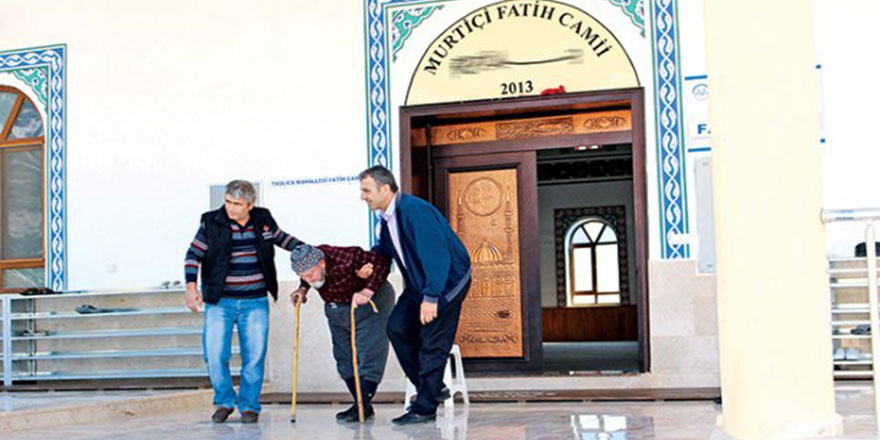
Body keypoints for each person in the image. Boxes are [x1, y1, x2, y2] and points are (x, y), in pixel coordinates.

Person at [358, 165, 472, 425]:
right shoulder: (388, 217)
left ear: (384, 188)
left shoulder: (414, 211)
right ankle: (431, 387)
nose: (362, 196)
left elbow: (437, 255)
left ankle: (424, 408)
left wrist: (432, 297)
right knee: (397, 328)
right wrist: (371, 264)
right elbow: (385, 249)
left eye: (366, 190)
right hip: (419, 284)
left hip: (446, 284)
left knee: (433, 342)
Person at [184, 179, 302, 424]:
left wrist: (314, 252)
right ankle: (225, 402)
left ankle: (249, 406)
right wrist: (191, 287)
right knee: (215, 355)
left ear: (250, 204)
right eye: (227, 201)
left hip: (255, 301)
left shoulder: (263, 219)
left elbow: (284, 240)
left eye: (236, 204)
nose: (230, 207)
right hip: (220, 302)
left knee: (255, 356)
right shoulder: (211, 221)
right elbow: (193, 254)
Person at [289, 243, 394, 422]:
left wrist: (367, 290)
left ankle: (362, 406)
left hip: (370, 302)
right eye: (303, 277)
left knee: (368, 352)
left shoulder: (346, 257)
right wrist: (302, 289)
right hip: (337, 305)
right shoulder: (309, 261)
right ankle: (362, 406)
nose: (308, 279)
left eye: (310, 275)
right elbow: (307, 275)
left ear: (322, 263)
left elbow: (382, 262)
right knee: (343, 357)